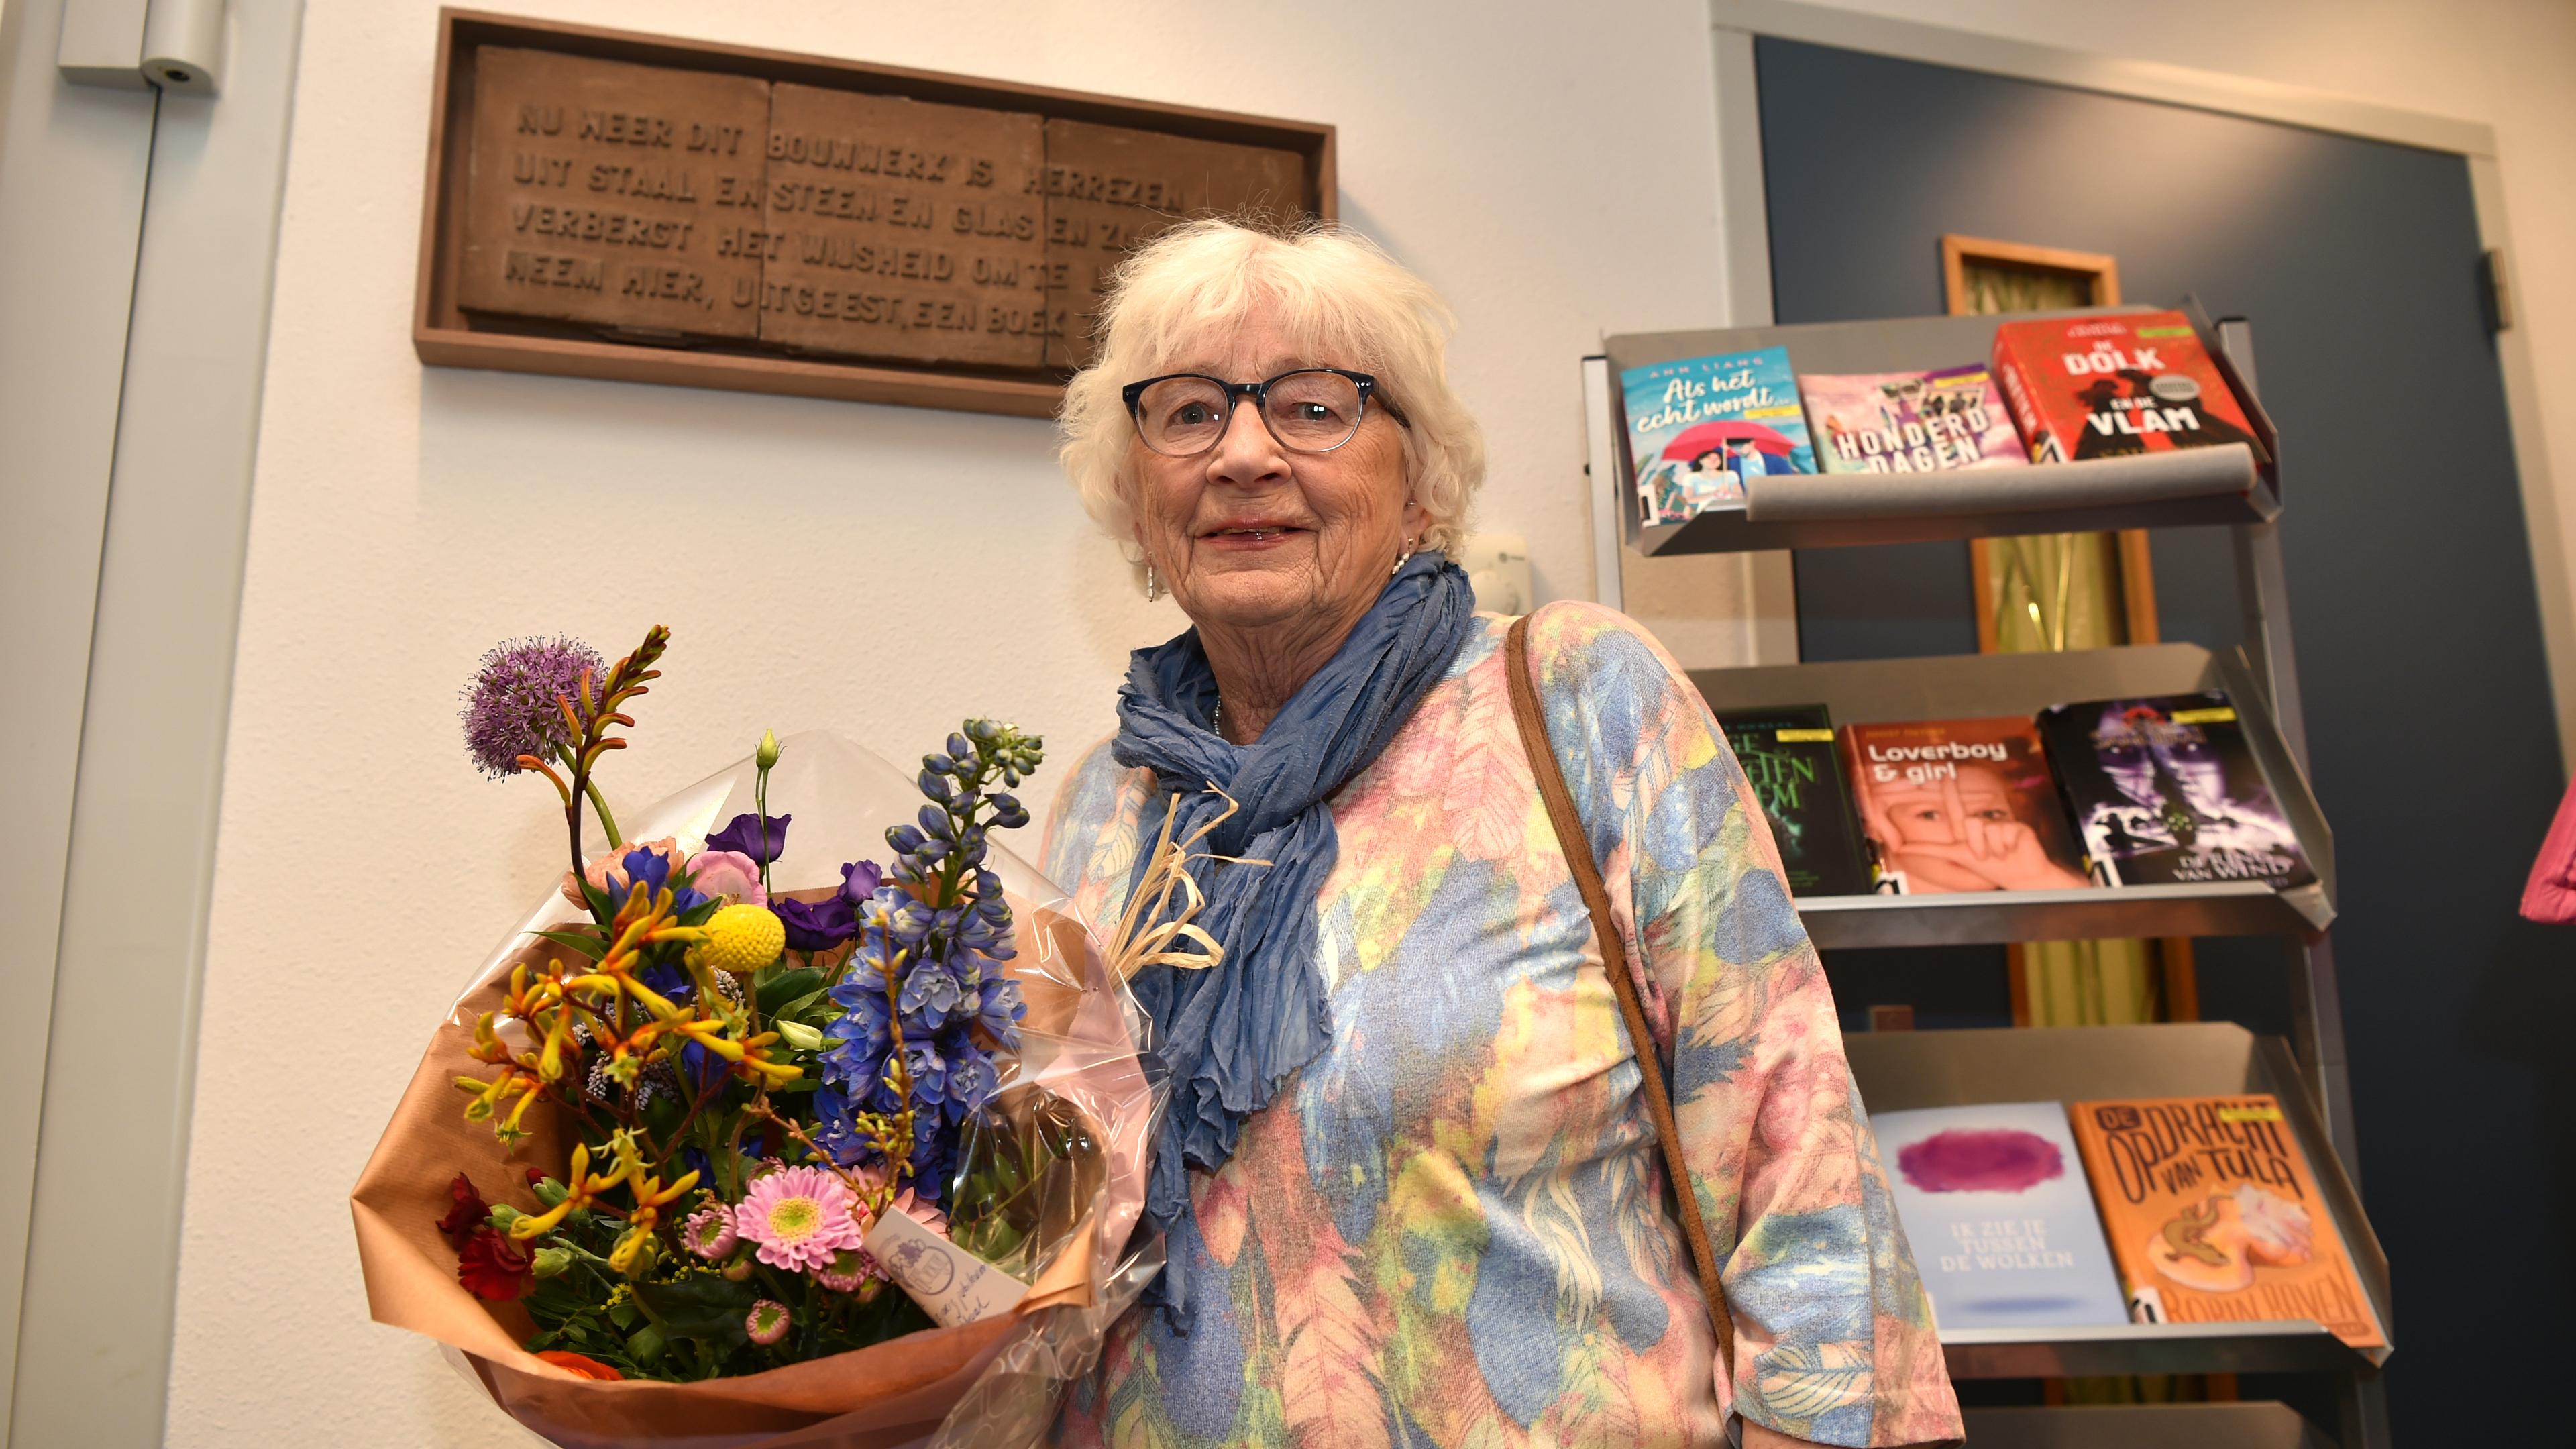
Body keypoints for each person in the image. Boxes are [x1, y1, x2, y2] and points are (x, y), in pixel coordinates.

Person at [1044, 219, 1961, 1448]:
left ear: (1418, 484)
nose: (1243, 454)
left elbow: (1793, 1143)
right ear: (1135, 489)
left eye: (1314, 408)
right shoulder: (1108, 798)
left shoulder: (1579, 696)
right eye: (1189, 411)